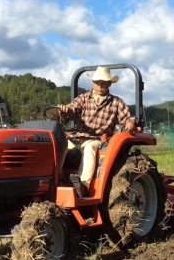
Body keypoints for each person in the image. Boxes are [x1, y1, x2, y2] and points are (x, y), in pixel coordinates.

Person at [58, 66, 136, 197]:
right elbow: (72, 109)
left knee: (89, 149)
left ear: (109, 83)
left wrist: (130, 121)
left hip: (98, 139)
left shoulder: (116, 102)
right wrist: (65, 109)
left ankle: (82, 187)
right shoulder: (83, 99)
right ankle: (57, 181)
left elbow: (127, 117)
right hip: (77, 137)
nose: (101, 85)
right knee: (59, 146)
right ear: (92, 82)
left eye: (104, 82)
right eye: (98, 82)